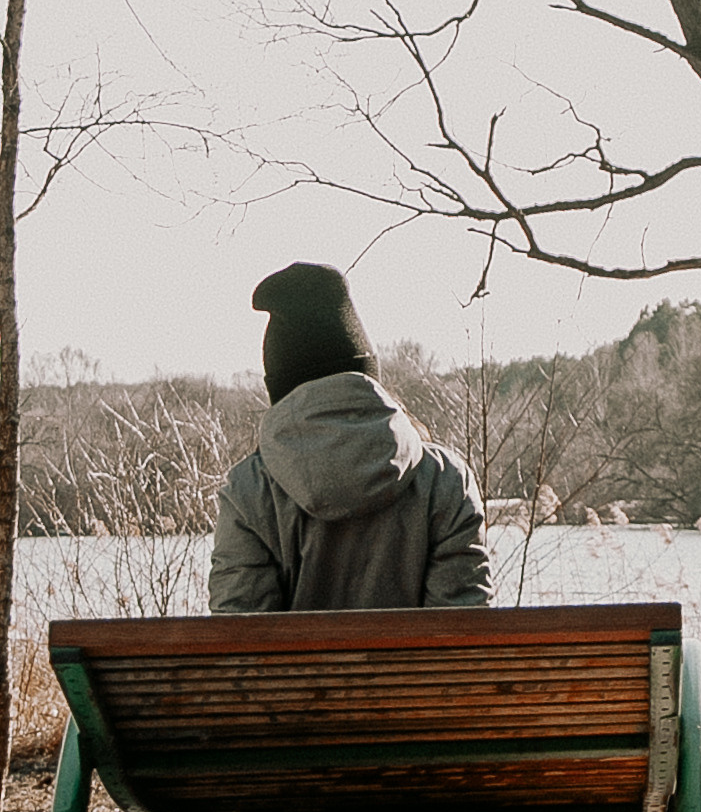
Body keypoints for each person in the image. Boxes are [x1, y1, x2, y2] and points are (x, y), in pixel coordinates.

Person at [208, 262, 492, 613]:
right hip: (418, 670)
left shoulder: (249, 491)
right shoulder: (446, 480)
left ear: (280, 389)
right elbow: (459, 630)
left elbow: (242, 640)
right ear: (369, 377)